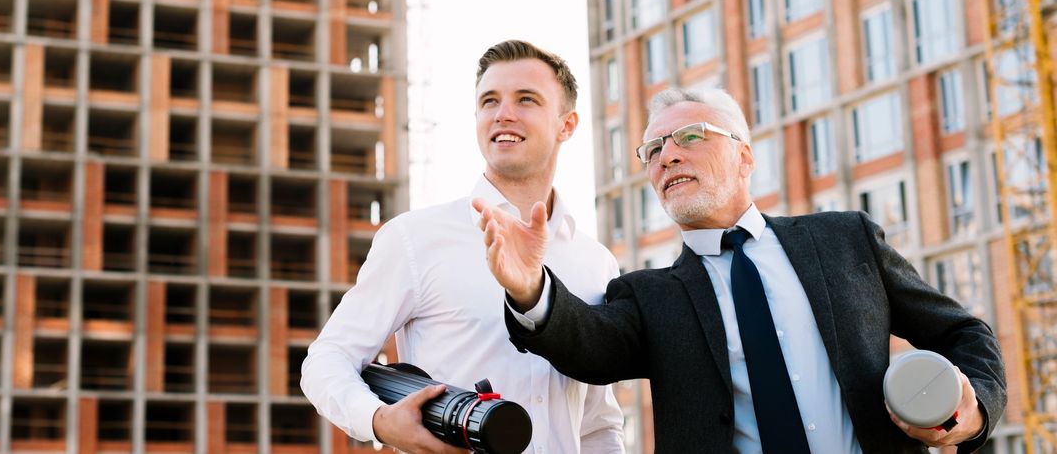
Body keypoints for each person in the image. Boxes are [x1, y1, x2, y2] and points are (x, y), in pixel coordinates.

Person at [475, 87, 1006, 454]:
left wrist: (973, 411)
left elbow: (962, 331)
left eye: (689, 137)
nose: (666, 157)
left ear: (744, 157)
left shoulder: (846, 240)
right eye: (653, 150)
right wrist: (531, 289)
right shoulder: (647, 295)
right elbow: (585, 343)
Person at [302, 40, 625, 454]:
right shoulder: (415, 239)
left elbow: (598, 424)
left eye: (526, 99)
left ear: (567, 125)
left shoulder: (596, 262)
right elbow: (327, 359)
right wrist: (381, 421)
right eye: (489, 101)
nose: (503, 113)